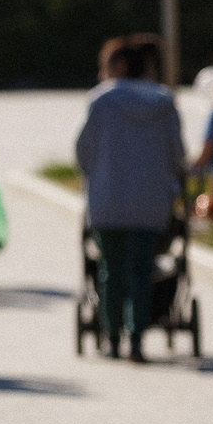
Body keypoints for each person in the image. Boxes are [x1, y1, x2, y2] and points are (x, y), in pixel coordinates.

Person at [76, 36, 187, 361]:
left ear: (120, 66)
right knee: (141, 270)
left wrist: (94, 180)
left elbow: (83, 152)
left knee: (110, 269)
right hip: (151, 202)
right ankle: (137, 337)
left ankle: (112, 337)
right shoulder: (164, 102)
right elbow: (177, 154)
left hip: (108, 200)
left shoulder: (101, 101)